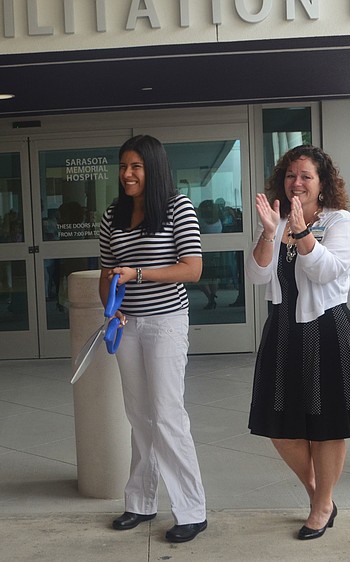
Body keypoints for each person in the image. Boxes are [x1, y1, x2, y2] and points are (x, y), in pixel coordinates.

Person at [245, 145, 350, 540]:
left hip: (327, 329)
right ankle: (320, 493)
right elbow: (256, 275)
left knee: (326, 425)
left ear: (322, 183)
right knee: (279, 425)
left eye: (306, 176)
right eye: (290, 175)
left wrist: (301, 234)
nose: (296, 183)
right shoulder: (277, 220)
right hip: (283, 330)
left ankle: (321, 506)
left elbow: (327, 272)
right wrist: (270, 233)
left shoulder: (339, 221)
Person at [99, 134, 208, 543]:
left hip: (166, 322)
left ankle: (192, 510)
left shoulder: (179, 207)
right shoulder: (113, 214)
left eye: (135, 167)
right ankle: (141, 503)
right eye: (123, 167)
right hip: (128, 325)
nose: (127, 175)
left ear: (154, 168)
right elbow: (107, 271)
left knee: (167, 415)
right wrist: (113, 308)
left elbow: (192, 269)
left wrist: (140, 275)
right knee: (139, 416)